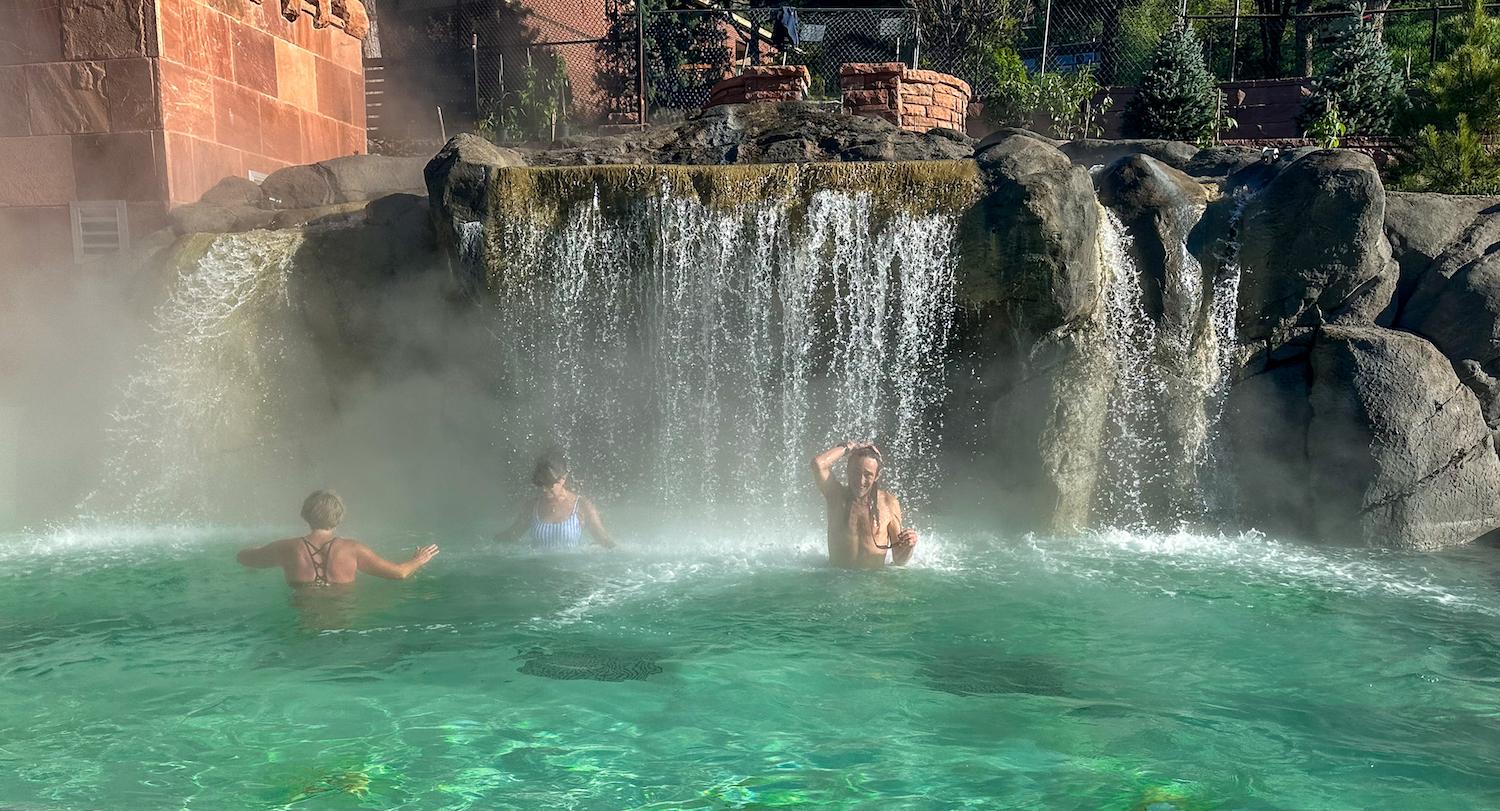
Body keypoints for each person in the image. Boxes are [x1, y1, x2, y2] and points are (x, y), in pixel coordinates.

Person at [236, 490, 439, 587]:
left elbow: (244, 559)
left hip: (302, 622)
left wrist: (258, 548)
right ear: (339, 517)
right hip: (341, 620)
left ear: (305, 514)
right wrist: (418, 560)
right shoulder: (353, 549)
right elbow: (399, 574)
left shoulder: (286, 548)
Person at [811, 441, 917, 568]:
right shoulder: (836, 496)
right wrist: (849, 447)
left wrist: (909, 546)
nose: (860, 481)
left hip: (873, 583)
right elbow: (818, 464)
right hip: (837, 580)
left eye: (868, 475)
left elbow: (899, 559)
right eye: (856, 472)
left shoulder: (889, 503)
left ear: (877, 476)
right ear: (848, 471)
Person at [499, 448, 616, 550]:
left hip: (570, 571)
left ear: (563, 478)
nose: (544, 489)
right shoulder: (533, 506)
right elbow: (511, 536)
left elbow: (603, 539)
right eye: (540, 484)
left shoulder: (582, 505)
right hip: (537, 570)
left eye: (548, 484)